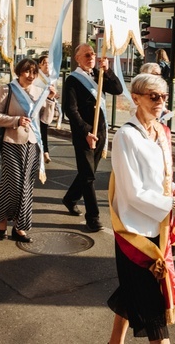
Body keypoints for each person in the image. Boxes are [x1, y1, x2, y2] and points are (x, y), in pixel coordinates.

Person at [107, 74, 175, 344]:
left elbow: (163, 181)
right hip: (134, 234)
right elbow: (133, 193)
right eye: (153, 96)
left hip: (158, 228)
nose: (160, 101)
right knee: (155, 314)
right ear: (136, 98)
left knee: (132, 293)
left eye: (163, 96)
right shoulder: (126, 136)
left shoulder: (160, 133)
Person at [0, 58, 55, 242]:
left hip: (32, 144)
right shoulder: (7, 89)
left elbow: (46, 120)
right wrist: (15, 120)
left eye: (34, 72)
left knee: (26, 187)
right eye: (27, 72)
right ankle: (1, 217)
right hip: (12, 142)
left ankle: (19, 227)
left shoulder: (39, 92)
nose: (31, 76)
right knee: (13, 184)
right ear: (19, 72)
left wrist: (50, 100)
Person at [62, 43, 123, 232]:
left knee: (87, 173)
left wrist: (108, 70)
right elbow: (70, 110)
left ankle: (70, 198)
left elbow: (118, 89)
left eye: (93, 54)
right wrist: (86, 131)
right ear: (77, 59)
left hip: (101, 131)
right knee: (88, 176)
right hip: (85, 134)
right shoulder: (72, 80)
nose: (91, 57)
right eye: (87, 55)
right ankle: (93, 217)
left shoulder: (99, 74)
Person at [33, 53, 57, 164]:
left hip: (47, 106)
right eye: (44, 63)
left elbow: (54, 92)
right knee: (40, 129)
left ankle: (44, 150)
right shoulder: (36, 77)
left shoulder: (52, 78)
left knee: (44, 128)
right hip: (37, 107)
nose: (47, 65)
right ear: (40, 65)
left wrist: (54, 95)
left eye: (49, 63)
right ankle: (44, 151)